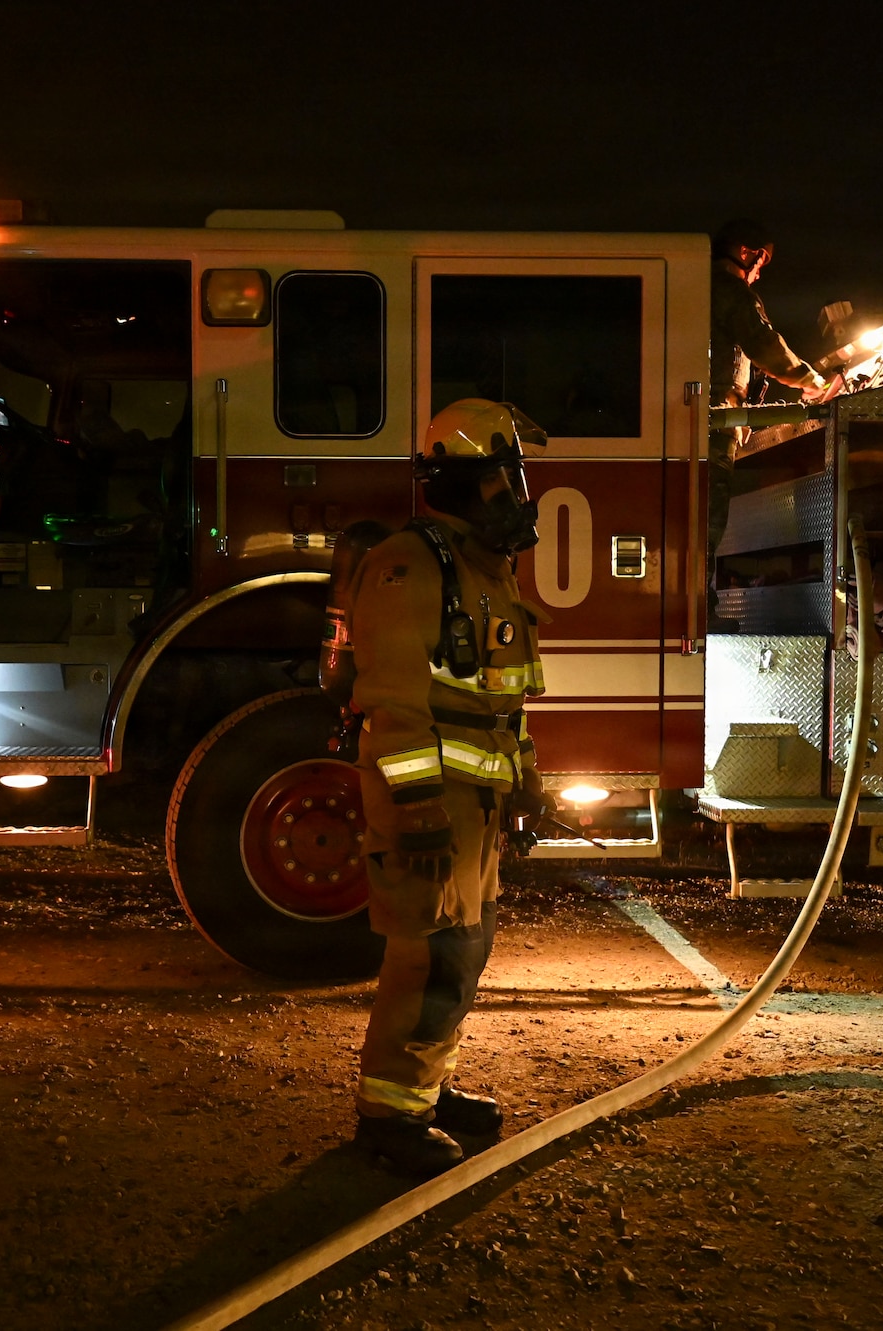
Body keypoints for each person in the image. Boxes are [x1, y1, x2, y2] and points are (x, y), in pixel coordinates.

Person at [345, 398, 553, 1176]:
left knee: (461, 953)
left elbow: (502, 701)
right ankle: (390, 1116)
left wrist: (525, 782)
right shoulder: (413, 564)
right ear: (473, 480)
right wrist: (422, 807)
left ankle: (423, 1089)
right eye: (507, 476)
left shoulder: (481, 569)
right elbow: (393, 703)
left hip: (474, 812)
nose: (518, 493)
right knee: (428, 958)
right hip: (430, 811)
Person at [707, 218, 832, 566]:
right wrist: (814, 382)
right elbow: (766, 347)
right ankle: (700, 602)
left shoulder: (692, 286)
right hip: (713, 427)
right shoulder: (731, 292)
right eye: (761, 263)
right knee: (707, 521)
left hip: (698, 420)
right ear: (747, 252)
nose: (758, 274)